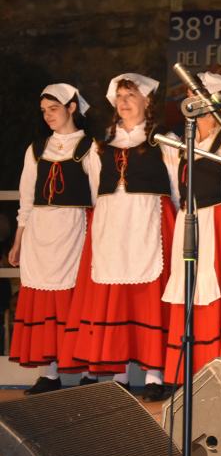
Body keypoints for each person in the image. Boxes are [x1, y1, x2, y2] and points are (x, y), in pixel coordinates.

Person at [59, 74, 179, 402]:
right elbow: (99, 191)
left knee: (149, 296)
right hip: (113, 226)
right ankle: (120, 373)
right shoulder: (102, 146)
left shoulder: (163, 141)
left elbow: (177, 189)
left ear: (147, 102)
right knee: (115, 296)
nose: (124, 102)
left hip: (150, 223)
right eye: (120, 96)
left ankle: (156, 374)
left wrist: (177, 224)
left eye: (131, 95)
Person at [162, 73, 221, 385]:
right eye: (190, 94)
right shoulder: (185, 142)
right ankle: (189, 371)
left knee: (219, 295)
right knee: (189, 292)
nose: (194, 101)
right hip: (191, 224)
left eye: (200, 96)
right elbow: (179, 190)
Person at [9, 84, 97, 394]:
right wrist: (18, 239)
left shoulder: (89, 147)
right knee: (45, 302)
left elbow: (99, 196)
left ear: (71, 108)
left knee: (76, 301)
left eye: (54, 109)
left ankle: (88, 371)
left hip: (73, 229)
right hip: (40, 233)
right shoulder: (35, 149)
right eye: (44, 111)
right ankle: (50, 373)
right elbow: (26, 197)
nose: (48, 116)